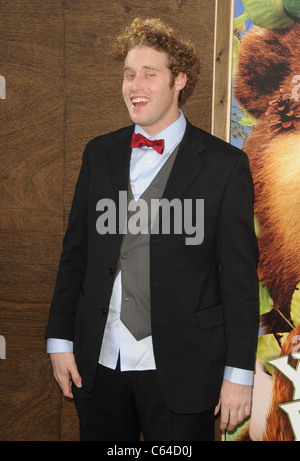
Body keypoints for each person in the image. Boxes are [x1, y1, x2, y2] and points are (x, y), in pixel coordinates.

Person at [45, 17, 259, 441]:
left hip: (184, 367)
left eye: (149, 74)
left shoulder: (225, 166)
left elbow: (238, 281)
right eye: (128, 75)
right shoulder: (99, 154)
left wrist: (239, 374)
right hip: (100, 363)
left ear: (179, 80)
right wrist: (59, 340)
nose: (134, 85)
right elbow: (76, 255)